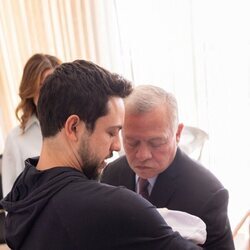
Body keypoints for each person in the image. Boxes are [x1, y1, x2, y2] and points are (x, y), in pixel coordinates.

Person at [0, 60, 202, 250]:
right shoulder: (112, 206)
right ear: (73, 127)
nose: (116, 146)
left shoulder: (22, 192)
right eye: (111, 132)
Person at [101, 85, 235, 250]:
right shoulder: (111, 175)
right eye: (132, 142)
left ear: (178, 133)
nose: (142, 155)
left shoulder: (208, 194)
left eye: (156, 143)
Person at [2, 53, 61, 196]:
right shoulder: (16, 140)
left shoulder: (76, 128)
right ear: (30, 91)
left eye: (53, 86)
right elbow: (11, 202)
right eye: (42, 87)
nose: (49, 94)